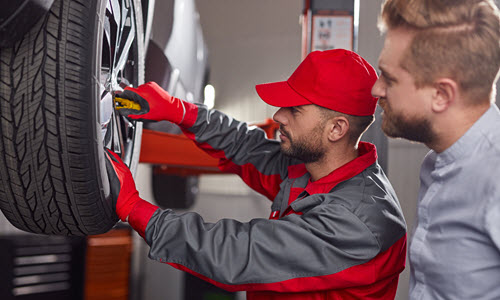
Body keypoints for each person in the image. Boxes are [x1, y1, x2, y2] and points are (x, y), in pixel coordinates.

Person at [107, 49, 407, 299]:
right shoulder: (311, 167)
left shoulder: (360, 223)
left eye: (295, 109)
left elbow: (236, 254)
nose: (278, 116)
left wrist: (135, 208)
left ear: (336, 129)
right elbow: (248, 147)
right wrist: (180, 111)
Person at [371, 0, 500, 299]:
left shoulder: (494, 176)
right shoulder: (435, 162)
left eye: (389, 78)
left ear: (441, 94)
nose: (376, 89)